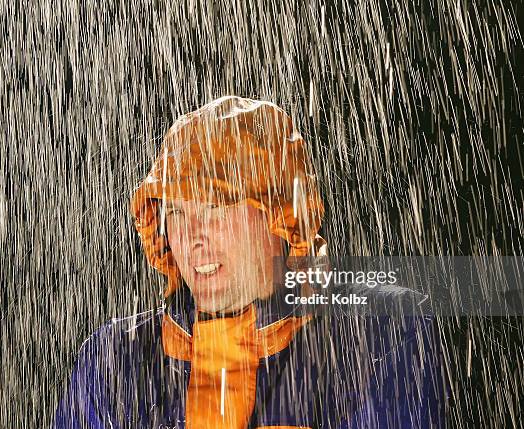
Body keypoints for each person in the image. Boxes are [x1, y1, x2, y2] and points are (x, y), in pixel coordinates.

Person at [54, 96, 447, 428]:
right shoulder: (113, 359)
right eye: (175, 212)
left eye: (214, 206)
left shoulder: (379, 331)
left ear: (281, 216)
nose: (193, 237)